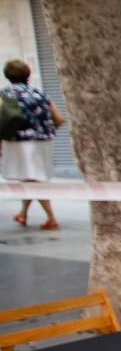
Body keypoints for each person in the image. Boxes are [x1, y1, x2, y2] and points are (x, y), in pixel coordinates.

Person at [1, 59, 67, 230]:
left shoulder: (5, 94)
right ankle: (23, 214)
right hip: (43, 142)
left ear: (7, 76)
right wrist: (44, 131)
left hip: (18, 143)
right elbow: (59, 119)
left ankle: (51, 217)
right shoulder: (40, 93)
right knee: (30, 177)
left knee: (34, 180)